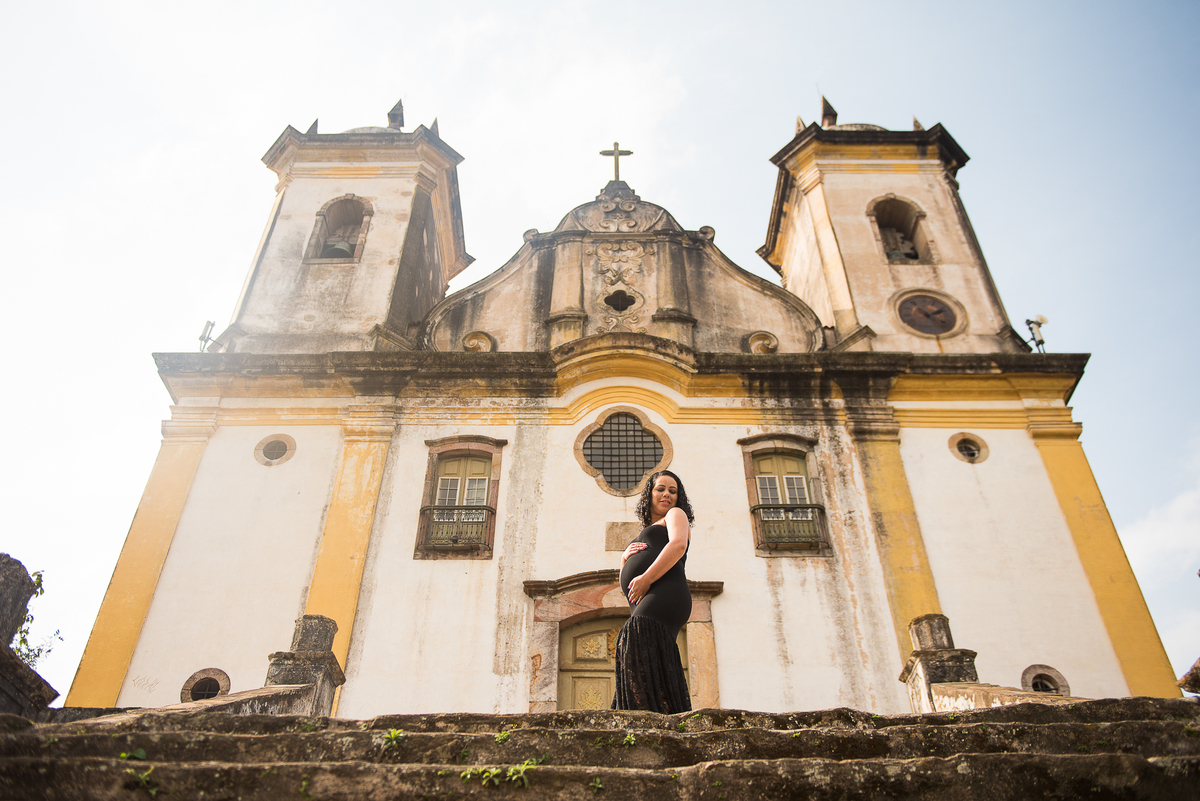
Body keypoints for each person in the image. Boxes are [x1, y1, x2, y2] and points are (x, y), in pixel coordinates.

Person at [612, 469, 695, 713]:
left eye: (673, 490)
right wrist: (624, 558)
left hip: (666, 593)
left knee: (635, 641)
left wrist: (646, 578)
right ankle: (656, 712)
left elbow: (678, 545)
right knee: (644, 653)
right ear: (650, 494)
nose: (667, 494)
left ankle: (638, 715)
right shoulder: (651, 528)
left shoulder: (675, 514)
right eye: (661, 489)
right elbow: (625, 585)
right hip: (649, 596)